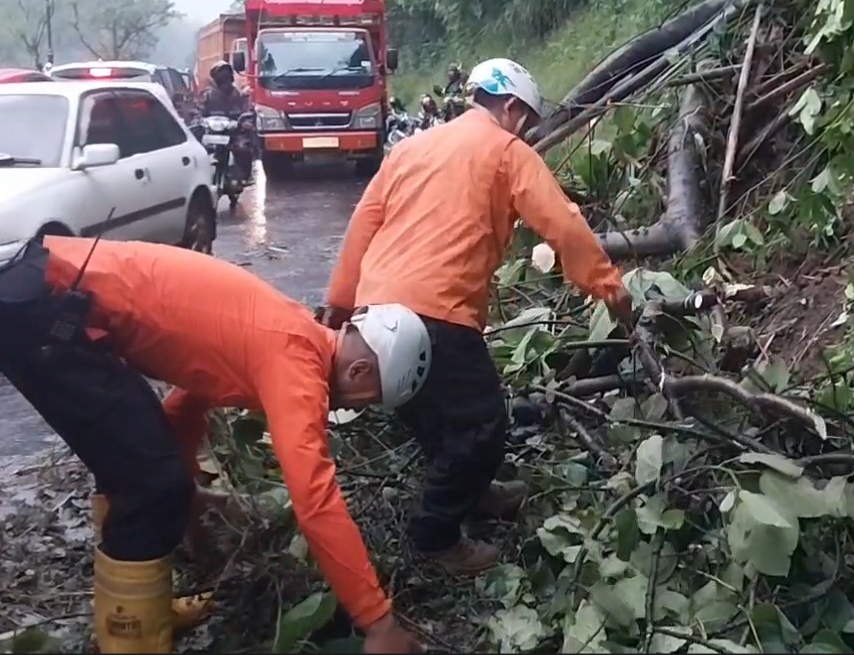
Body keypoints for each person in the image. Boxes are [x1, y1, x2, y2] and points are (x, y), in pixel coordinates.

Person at [0, 236, 432, 654]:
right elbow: (316, 502)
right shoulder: (296, 370)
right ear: (358, 371)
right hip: (49, 306)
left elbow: (185, 405)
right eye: (370, 400)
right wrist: (378, 623)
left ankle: (141, 607)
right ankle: (130, 640)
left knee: (145, 459)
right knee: (151, 485)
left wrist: (188, 501)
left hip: (51, 290)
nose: (359, 408)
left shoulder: (291, 331)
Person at [319, 58, 632, 574]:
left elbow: (364, 220)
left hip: (374, 315)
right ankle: (435, 537)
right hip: (436, 312)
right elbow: (563, 223)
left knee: (436, 418)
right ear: (511, 108)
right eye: (527, 120)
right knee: (484, 424)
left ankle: (473, 495)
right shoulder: (506, 150)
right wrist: (609, 287)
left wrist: (341, 301)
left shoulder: (412, 148)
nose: (527, 130)